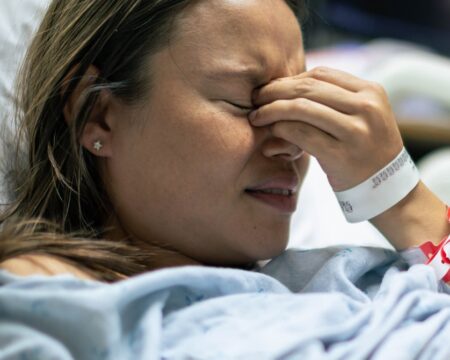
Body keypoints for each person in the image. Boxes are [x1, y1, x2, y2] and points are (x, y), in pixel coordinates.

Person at [0, 0, 448, 282]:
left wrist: (400, 196)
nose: (293, 144)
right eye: (245, 102)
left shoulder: (339, 283)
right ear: (97, 116)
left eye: (297, 104)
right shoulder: (48, 296)